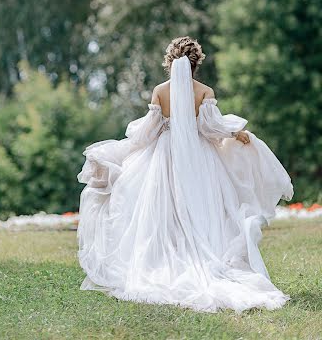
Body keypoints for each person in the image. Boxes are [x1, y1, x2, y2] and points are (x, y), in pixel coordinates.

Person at [77, 36, 294, 312]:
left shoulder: (159, 91)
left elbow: (149, 130)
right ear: (196, 63)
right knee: (201, 209)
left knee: (162, 212)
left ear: (169, 62)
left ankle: (163, 259)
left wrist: (128, 145)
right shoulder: (204, 91)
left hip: (163, 157)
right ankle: (205, 256)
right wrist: (235, 133)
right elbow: (210, 129)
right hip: (199, 158)